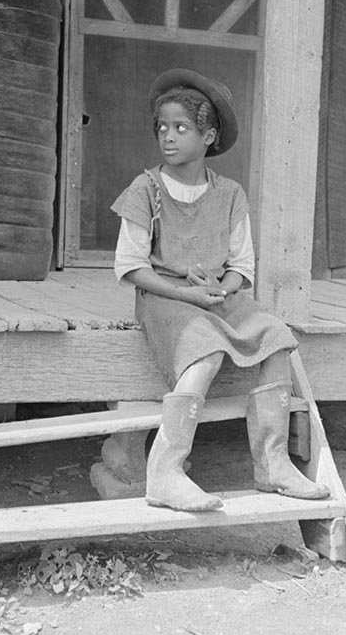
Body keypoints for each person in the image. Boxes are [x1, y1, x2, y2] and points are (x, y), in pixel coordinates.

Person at [110, 68, 329, 513]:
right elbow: (130, 266)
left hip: (214, 294)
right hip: (165, 297)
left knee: (274, 335)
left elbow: (241, 267)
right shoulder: (145, 189)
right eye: (162, 128)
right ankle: (166, 472)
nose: (168, 137)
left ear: (208, 136)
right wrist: (188, 295)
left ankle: (273, 464)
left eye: (181, 128)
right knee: (205, 346)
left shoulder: (229, 193)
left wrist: (222, 286)